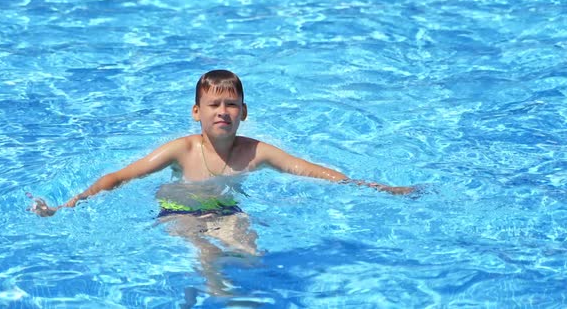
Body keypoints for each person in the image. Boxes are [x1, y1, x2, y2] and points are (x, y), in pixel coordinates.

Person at [29, 69, 416, 295]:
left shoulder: (255, 152)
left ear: (244, 112)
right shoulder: (180, 151)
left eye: (231, 104)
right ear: (197, 112)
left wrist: (376, 188)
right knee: (209, 258)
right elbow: (120, 177)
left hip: (227, 210)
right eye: (214, 105)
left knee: (251, 256)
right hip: (177, 211)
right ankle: (218, 296)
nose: (223, 112)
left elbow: (313, 170)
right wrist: (68, 205)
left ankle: (243, 296)